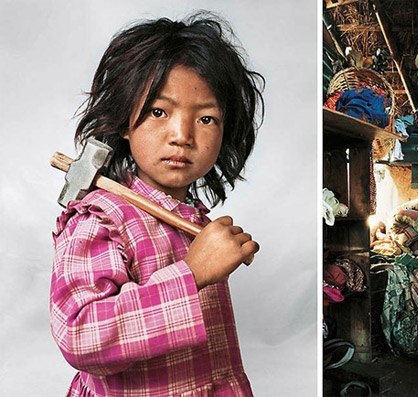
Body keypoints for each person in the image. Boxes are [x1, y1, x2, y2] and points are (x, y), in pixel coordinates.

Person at [50, 13, 264, 396]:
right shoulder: (102, 219)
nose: (182, 135)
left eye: (207, 118)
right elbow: (80, 336)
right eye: (158, 111)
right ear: (125, 122)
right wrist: (192, 273)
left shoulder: (194, 222)